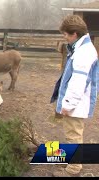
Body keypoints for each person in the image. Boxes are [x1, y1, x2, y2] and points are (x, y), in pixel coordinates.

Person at [50, 15, 98, 177]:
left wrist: (68, 103)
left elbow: (78, 81)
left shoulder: (83, 53)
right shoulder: (81, 48)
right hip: (77, 102)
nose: (64, 36)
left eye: (65, 34)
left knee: (73, 135)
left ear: (74, 34)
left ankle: (73, 169)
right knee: (73, 133)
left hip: (76, 104)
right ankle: (72, 161)